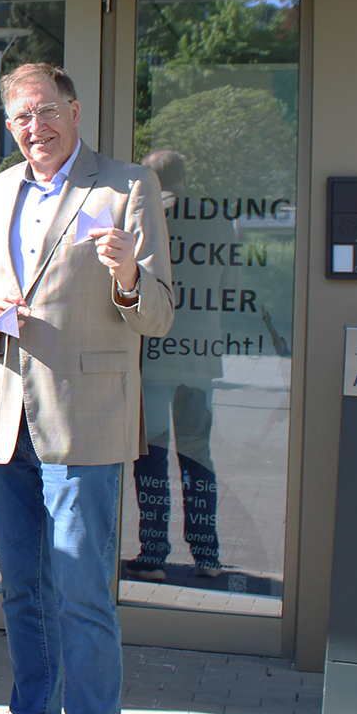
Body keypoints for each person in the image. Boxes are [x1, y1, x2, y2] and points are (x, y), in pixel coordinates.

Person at [0, 63, 173, 714]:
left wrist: (129, 275)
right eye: (20, 118)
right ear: (8, 126)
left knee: (83, 597)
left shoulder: (128, 186)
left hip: (87, 419)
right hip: (5, 422)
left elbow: (158, 317)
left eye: (45, 112)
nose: (34, 128)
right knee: (24, 595)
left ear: (74, 111)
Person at [126, 150, 224, 582]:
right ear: (185, 177)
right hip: (200, 355)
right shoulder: (218, 219)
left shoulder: (149, 216)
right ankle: (207, 555)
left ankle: (154, 555)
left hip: (154, 353)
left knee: (152, 456)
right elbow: (233, 284)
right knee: (197, 454)